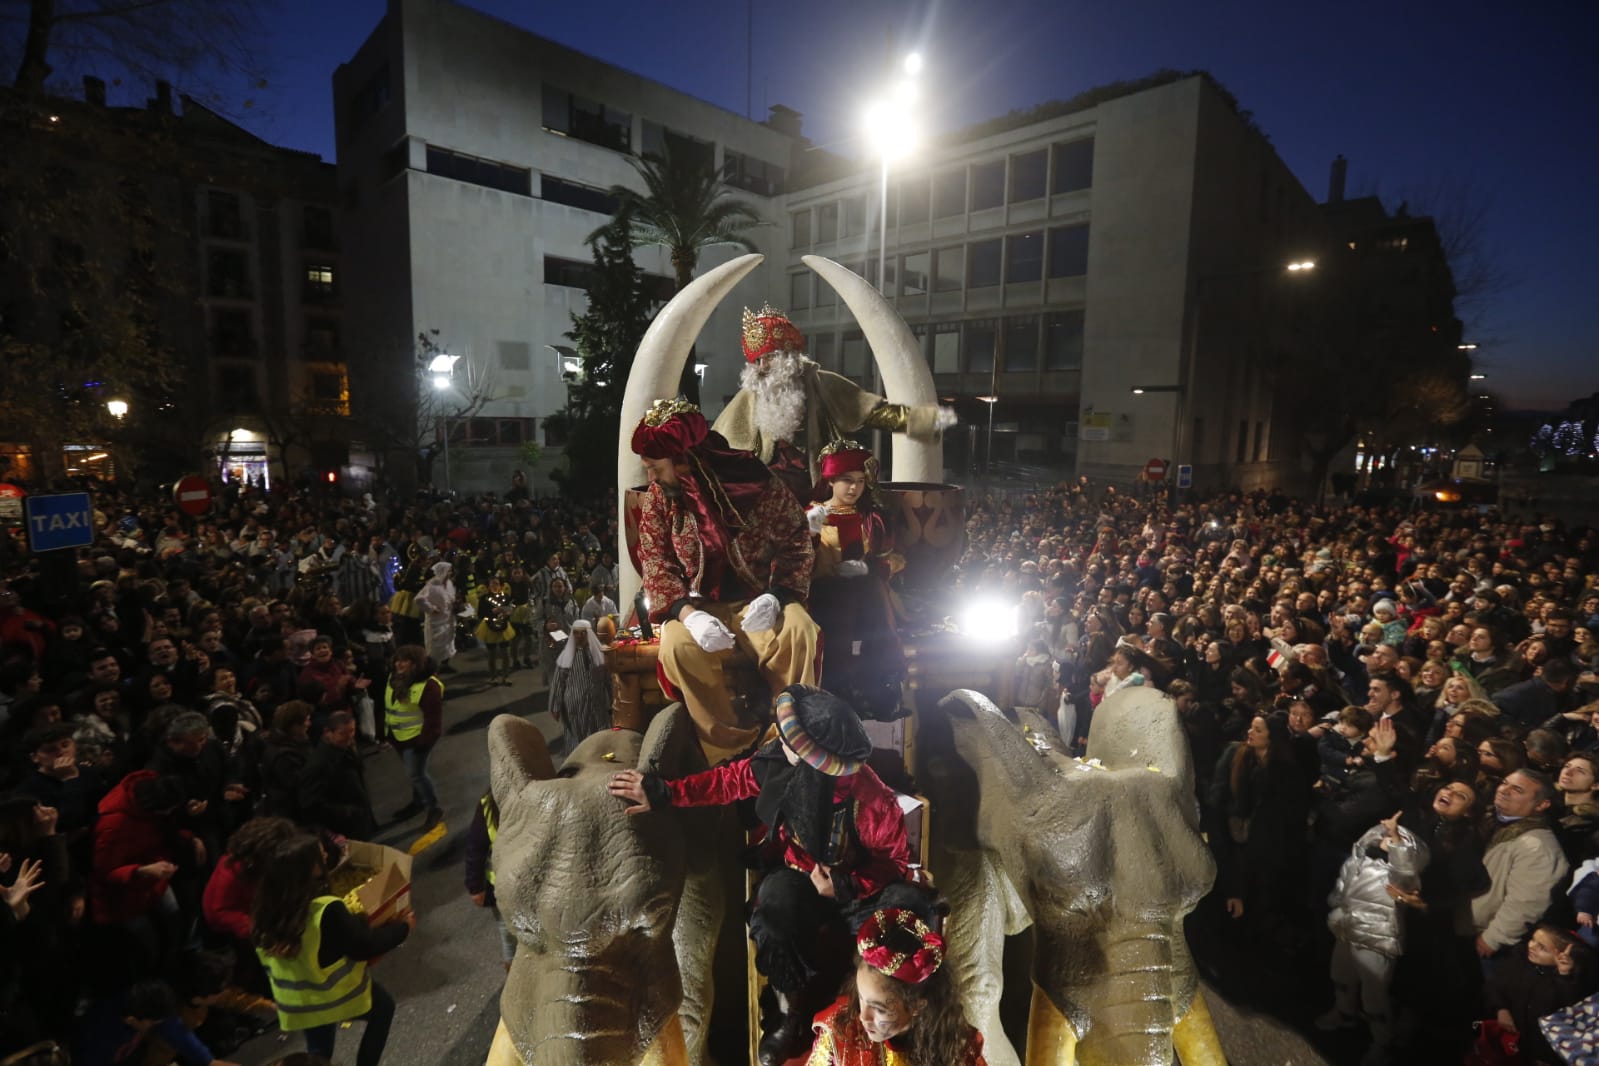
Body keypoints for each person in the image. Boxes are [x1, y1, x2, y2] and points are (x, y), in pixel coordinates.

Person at [609, 686, 910, 1064]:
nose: (779, 742)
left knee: (907, 912)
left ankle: (890, 1017)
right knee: (773, 914)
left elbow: (894, 862)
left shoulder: (872, 801)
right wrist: (664, 793)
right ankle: (789, 1019)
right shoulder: (778, 763)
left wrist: (847, 885)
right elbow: (727, 782)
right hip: (797, 873)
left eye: (789, 742)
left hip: (859, 888)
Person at [631, 398, 820, 757]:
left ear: (684, 456)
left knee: (799, 629)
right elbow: (655, 559)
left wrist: (777, 596)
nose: (651, 477)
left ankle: (790, 735)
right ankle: (729, 748)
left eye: (655, 466)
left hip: (758, 601)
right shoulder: (661, 497)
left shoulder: (757, 483)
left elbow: (796, 539)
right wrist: (689, 614)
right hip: (698, 607)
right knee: (677, 647)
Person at [712, 304, 954, 496]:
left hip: (817, 489)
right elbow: (718, 442)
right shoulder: (750, 394)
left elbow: (872, 412)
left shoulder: (820, 382)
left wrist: (929, 421)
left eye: (771, 357)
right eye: (759, 360)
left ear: (789, 356)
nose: (763, 366)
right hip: (767, 497)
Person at [252, 833, 411, 1066]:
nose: (325, 853)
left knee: (318, 1052)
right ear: (308, 868)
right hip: (336, 996)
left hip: (300, 1005)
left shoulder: (264, 912)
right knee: (383, 1009)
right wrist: (403, 928)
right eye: (319, 854)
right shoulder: (325, 909)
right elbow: (364, 946)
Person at [804, 438, 905, 719]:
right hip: (824, 593)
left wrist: (871, 570)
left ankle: (883, 681)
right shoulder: (814, 515)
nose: (854, 488)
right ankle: (842, 687)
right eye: (847, 480)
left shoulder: (871, 518)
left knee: (874, 591)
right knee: (847, 601)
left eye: (860, 481)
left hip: (868, 591)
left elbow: (894, 559)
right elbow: (798, 562)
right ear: (831, 480)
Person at [1316, 810, 1428, 1065]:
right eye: (1383, 836)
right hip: (1347, 927)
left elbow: (1406, 868)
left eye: (1393, 839)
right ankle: (1343, 1012)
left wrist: (1396, 838)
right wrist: (1336, 906)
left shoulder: (1400, 875)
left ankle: (1381, 1042)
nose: (1385, 839)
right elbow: (1342, 887)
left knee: (1374, 996)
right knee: (1341, 976)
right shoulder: (1360, 860)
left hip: (1378, 937)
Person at [805, 907, 984, 1066]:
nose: (862, 1017)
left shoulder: (958, 1047)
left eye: (879, 1009)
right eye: (861, 998)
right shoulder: (840, 1031)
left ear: (917, 1006)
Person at [1473, 769, 1570, 966]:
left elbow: (1527, 902)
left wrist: (1494, 938)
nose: (1504, 790)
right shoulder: (1490, 820)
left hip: (1489, 940)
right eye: (1504, 782)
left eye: (1517, 789)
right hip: (1466, 927)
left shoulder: (1537, 846)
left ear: (1541, 804)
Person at [384, 645, 443, 831]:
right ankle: (418, 802)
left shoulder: (428, 686)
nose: (399, 664)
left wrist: (423, 742)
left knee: (417, 774)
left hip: (416, 740)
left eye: (405, 661)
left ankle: (433, 808)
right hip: (398, 737)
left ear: (415, 663)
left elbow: (433, 720)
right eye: (397, 660)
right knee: (414, 775)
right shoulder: (394, 678)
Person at [297, 711, 376, 839]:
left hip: (359, 820)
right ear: (328, 732)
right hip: (344, 829)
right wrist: (347, 812)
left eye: (352, 731)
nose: (349, 737)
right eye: (343, 733)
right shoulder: (319, 764)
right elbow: (312, 805)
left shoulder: (346, 748)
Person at [547, 619, 613, 749]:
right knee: (576, 740)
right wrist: (555, 707)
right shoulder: (566, 656)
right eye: (576, 633)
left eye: (583, 633)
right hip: (574, 708)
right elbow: (558, 684)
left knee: (598, 740)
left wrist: (613, 699)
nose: (579, 636)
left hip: (597, 705)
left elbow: (608, 680)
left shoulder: (599, 654)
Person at [472, 575, 517, 686]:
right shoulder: (484, 599)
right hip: (489, 627)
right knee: (492, 654)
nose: (494, 586)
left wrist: (507, 612)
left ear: (501, 586)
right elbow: (480, 614)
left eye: (496, 584)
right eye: (492, 584)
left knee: (505, 653)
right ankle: (493, 677)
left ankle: (505, 676)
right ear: (488, 586)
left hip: (503, 627)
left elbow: (510, 609)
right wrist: (493, 612)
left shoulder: (506, 597)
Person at [414, 562, 457, 675]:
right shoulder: (431, 585)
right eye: (449, 571)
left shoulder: (449, 584)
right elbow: (419, 599)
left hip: (448, 619)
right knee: (435, 647)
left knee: (448, 643)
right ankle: (432, 670)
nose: (450, 573)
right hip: (436, 621)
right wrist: (431, 609)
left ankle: (445, 665)